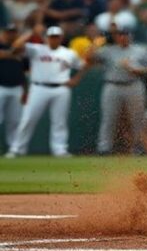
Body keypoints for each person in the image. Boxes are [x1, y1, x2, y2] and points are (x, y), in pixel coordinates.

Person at [4, 26, 86, 158]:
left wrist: (75, 79)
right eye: (51, 37)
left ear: (61, 38)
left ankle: (59, 149)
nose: (54, 39)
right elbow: (15, 48)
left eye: (56, 37)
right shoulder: (37, 49)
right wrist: (30, 32)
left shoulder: (69, 53)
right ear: (47, 38)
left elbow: (83, 65)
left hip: (61, 88)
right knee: (28, 119)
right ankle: (17, 148)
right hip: (39, 87)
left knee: (59, 121)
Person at [86, 26, 147, 155]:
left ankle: (138, 148)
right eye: (120, 35)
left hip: (134, 84)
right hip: (112, 85)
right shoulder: (108, 50)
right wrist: (96, 42)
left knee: (137, 119)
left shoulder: (141, 50)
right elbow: (88, 58)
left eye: (126, 34)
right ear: (116, 37)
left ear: (130, 36)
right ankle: (104, 148)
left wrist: (138, 70)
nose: (123, 37)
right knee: (109, 117)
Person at [0, 24, 24, 152]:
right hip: (1, 87)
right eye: (9, 32)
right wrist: (12, 54)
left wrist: (26, 90)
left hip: (17, 88)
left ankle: (14, 148)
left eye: (13, 32)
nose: (11, 34)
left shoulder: (22, 49)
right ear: (3, 33)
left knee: (14, 120)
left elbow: (25, 70)